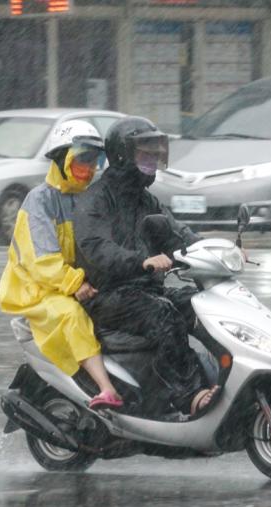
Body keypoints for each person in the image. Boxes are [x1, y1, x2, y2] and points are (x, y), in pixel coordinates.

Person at [73, 116, 218, 417]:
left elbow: (178, 234)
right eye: (145, 152)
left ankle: (222, 382)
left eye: (155, 152)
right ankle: (188, 396)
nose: (152, 159)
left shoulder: (145, 201)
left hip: (145, 290)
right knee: (164, 315)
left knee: (202, 305)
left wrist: (217, 250)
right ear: (123, 154)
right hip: (109, 296)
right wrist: (141, 262)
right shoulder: (96, 199)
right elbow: (97, 248)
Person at [0, 120, 123, 410]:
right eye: (82, 161)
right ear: (60, 159)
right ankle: (106, 389)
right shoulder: (39, 201)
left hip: (73, 282)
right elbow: (43, 261)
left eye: (94, 162)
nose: (89, 169)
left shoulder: (88, 199)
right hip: (36, 291)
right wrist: (75, 283)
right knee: (71, 316)